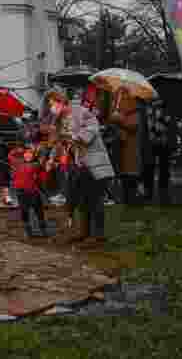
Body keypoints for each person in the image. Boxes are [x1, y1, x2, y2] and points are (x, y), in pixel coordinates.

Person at [48, 88, 115, 248]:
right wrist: (53, 156)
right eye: (50, 105)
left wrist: (73, 137)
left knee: (95, 200)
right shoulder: (60, 120)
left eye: (53, 103)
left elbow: (92, 130)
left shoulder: (82, 112)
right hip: (77, 165)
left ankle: (98, 236)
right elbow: (59, 143)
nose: (52, 107)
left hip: (93, 163)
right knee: (82, 201)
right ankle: (84, 233)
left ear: (62, 101)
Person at [108, 92, 150, 206]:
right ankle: (126, 199)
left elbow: (133, 125)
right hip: (122, 146)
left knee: (130, 176)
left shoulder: (136, 107)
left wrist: (119, 118)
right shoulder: (118, 101)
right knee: (124, 176)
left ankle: (132, 200)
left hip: (132, 147)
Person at [12, 148, 51, 237]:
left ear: (33, 156)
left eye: (30, 154)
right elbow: (11, 156)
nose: (28, 155)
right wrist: (18, 150)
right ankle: (28, 230)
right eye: (26, 153)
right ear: (23, 155)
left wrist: (43, 174)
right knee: (24, 211)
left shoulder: (37, 165)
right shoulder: (18, 164)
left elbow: (43, 178)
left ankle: (43, 230)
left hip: (33, 191)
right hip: (21, 191)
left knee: (39, 211)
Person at [142, 99, 175, 205]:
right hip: (151, 143)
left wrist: (161, 118)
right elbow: (148, 127)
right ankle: (148, 193)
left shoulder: (165, 111)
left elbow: (168, 124)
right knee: (149, 168)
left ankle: (163, 194)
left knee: (164, 169)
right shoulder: (148, 111)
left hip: (163, 143)